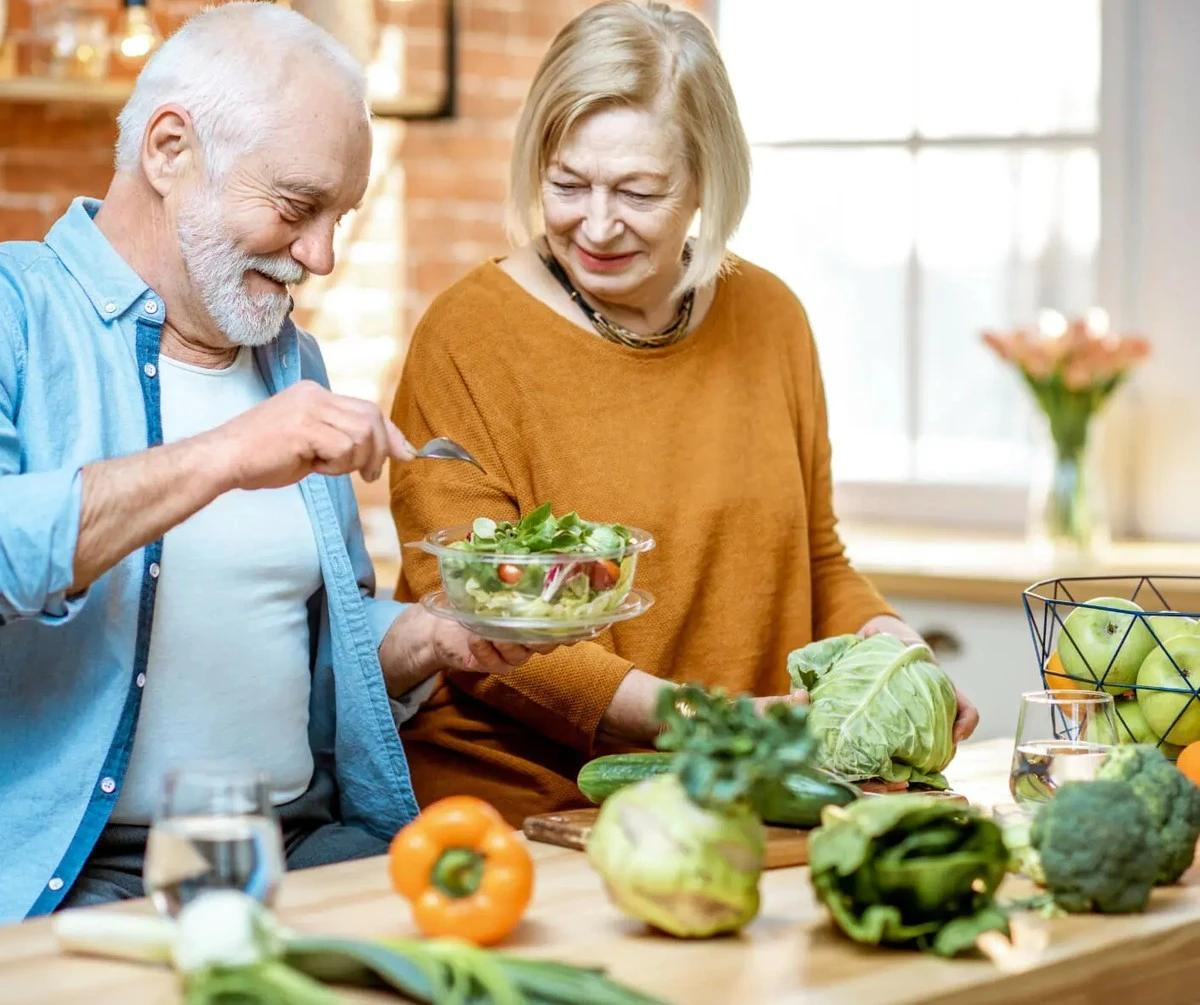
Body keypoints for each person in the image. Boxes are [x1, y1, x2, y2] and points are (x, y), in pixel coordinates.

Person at [0, 2, 545, 923]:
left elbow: (292, 640)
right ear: (170, 149)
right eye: (298, 207)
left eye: (340, 216)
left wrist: (429, 638)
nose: (322, 255)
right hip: (88, 872)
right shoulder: (18, 313)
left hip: (311, 844)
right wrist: (223, 454)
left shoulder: (292, 364)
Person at [389, 0, 980, 826]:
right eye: (566, 184)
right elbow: (474, 619)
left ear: (706, 179)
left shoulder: (772, 317)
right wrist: (709, 721)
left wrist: (894, 653)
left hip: (742, 793)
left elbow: (815, 557)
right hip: (532, 809)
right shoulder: (468, 335)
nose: (595, 224)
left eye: (638, 190)